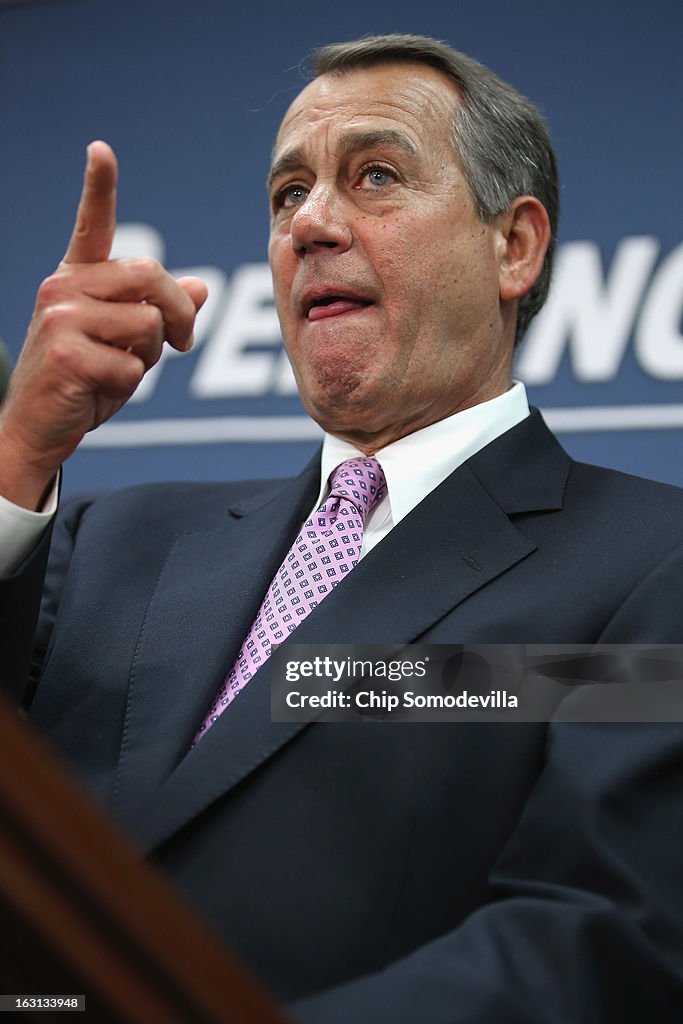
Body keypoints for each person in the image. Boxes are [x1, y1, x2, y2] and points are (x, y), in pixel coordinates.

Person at [2, 33, 683, 1023]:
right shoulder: (109, 539)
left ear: (514, 245)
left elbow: (596, 938)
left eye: (373, 175)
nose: (310, 223)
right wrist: (18, 458)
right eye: (287, 194)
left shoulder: (649, 565)